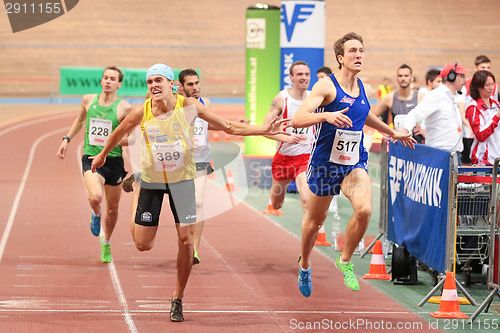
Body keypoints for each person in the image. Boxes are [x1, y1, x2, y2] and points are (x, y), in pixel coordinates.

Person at [90, 64, 285, 322]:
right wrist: (103, 154)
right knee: (142, 245)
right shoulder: (142, 111)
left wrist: (263, 130)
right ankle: (136, 188)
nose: (153, 86)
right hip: (152, 180)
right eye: (149, 82)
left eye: (158, 80)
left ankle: (178, 297)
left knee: (186, 241)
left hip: (182, 180)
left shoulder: (189, 107)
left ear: (172, 84)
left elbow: (228, 126)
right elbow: (118, 132)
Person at [291, 32, 415, 296]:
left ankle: (345, 260)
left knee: (364, 210)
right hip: (326, 163)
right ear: (340, 58)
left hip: (353, 162)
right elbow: (298, 119)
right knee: (314, 222)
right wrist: (327, 116)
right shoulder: (326, 86)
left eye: (361, 51)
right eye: (353, 51)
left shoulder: (363, 88)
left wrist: (391, 132)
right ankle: (304, 264)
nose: (359, 55)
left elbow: (364, 114)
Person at [56, 66, 132, 264]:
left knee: (113, 210)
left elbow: (132, 139)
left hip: (113, 161)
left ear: (119, 84)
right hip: (91, 158)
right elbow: (80, 120)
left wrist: (111, 141)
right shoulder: (88, 100)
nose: (108, 81)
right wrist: (66, 139)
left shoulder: (125, 108)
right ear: (101, 81)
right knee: (96, 197)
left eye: (112, 78)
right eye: (105, 77)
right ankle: (96, 213)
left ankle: (106, 242)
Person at [262, 61, 314, 216]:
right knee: (277, 203)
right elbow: (265, 129)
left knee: (307, 200)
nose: (304, 77)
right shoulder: (282, 99)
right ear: (291, 77)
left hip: (305, 157)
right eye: (299, 74)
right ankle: (279, 191)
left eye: (306, 74)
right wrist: (286, 137)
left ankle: (308, 239)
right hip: (284, 158)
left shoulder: (314, 98)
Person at [178, 68, 213, 265]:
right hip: (181, 163)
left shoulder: (205, 103)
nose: (195, 87)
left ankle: (195, 249)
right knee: (184, 209)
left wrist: (232, 124)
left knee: (198, 203)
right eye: (190, 84)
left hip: (201, 160)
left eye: (197, 83)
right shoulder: (176, 104)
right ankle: (185, 243)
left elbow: (210, 123)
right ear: (182, 86)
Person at [400, 63, 468, 158]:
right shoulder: (437, 95)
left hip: (453, 155)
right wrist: (405, 129)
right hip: (440, 156)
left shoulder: (452, 97)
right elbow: (415, 113)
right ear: (451, 77)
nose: (465, 80)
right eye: (462, 76)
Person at [372, 64, 424, 143]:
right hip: (397, 147)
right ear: (397, 78)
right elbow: (371, 117)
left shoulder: (420, 97)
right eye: (400, 76)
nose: (403, 78)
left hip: (417, 146)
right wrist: (384, 132)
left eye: (406, 76)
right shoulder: (389, 98)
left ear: (411, 78)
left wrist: (425, 131)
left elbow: (434, 117)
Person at [465, 70, 500, 165]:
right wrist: (496, 117)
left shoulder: (497, 104)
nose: (491, 88)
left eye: (492, 84)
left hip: (498, 157)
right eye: (487, 85)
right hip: (483, 160)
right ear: (478, 87)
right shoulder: (473, 107)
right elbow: (480, 135)